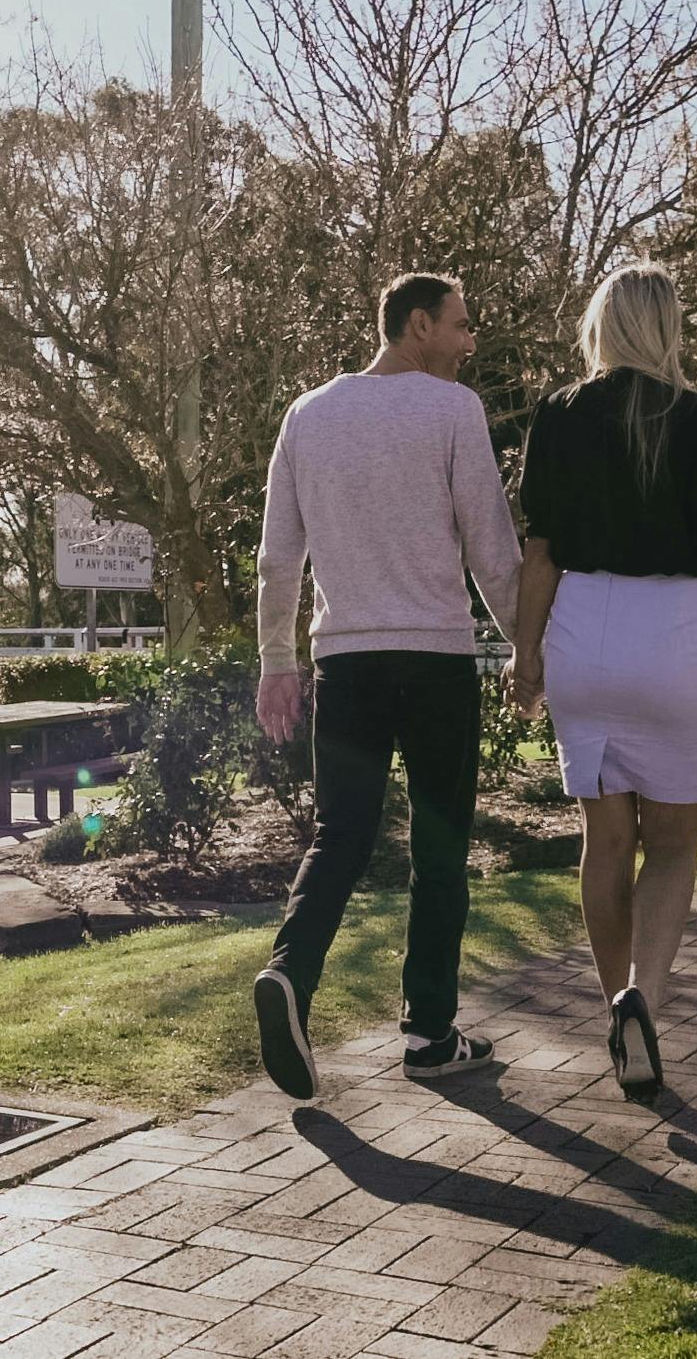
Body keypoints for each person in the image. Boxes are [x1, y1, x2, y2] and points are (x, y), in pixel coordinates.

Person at [251, 271, 523, 1100]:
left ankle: (290, 974)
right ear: (416, 325)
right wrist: (531, 650)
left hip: (346, 663)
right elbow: (492, 547)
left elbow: (276, 559)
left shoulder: (307, 414)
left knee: (341, 833)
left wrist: (277, 660)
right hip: (436, 662)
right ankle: (431, 1035)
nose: (471, 341)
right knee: (441, 849)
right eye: (461, 325)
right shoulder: (453, 410)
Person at [508, 263, 697, 1106]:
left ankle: (614, 1006)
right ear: (667, 328)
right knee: (675, 843)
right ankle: (643, 1001)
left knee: (606, 840)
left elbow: (540, 552)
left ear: (602, 325)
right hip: (673, 637)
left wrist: (525, 654)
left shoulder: (556, 413)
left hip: (583, 631)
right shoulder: (696, 416)